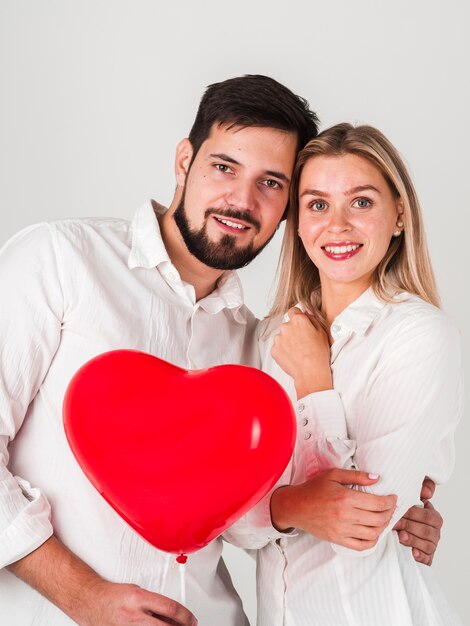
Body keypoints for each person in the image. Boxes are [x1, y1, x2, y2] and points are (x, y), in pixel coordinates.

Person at [0, 76, 442, 626]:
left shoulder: (257, 341)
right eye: (224, 167)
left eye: (272, 183)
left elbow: (251, 513)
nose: (243, 200)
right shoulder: (60, 261)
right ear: (185, 160)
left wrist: (398, 510)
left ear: (287, 211)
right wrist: (83, 596)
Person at [253, 123, 463, 625]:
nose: (338, 225)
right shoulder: (266, 341)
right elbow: (220, 515)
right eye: (318, 204)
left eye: (362, 202)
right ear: (298, 223)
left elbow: (359, 530)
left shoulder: (420, 336)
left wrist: (313, 382)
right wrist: (287, 508)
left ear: (399, 216)